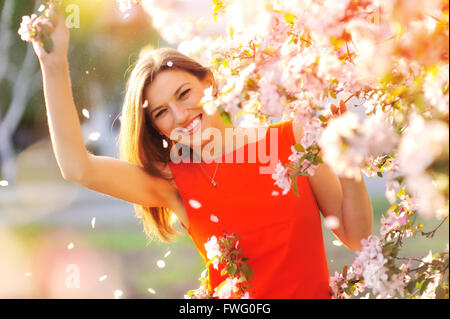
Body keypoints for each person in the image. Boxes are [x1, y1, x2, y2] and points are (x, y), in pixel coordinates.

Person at [32, 7, 373, 299]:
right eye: (161, 112)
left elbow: (355, 236)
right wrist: (53, 63)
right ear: (158, 129)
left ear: (209, 83)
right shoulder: (175, 182)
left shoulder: (292, 138)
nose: (180, 115)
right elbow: (77, 167)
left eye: (183, 93)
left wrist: (347, 159)